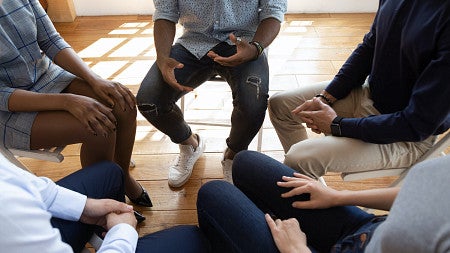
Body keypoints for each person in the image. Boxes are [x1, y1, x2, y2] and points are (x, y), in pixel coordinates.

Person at [267, 0, 450, 179]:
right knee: (281, 105)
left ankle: (309, 194)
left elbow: (415, 125)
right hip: (370, 93)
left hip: (405, 137)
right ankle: (309, 187)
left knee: (298, 158)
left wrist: (337, 125)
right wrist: (325, 98)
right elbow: (370, 45)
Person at [0, 0, 151, 206]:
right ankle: (104, 202)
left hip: (45, 75)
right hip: (8, 112)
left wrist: (94, 79)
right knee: (98, 126)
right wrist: (67, 101)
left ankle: (121, 175)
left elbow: (51, 40)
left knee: (122, 104)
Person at [136, 0, 287, 187]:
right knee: (149, 101)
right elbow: (165, 13)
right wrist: (162, 58)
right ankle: (190, 144)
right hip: (193, 41)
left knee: (253, 105)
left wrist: (256, 48)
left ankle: (233, 155)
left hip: (245, 42)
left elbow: (274, 11)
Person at [197, 150, 450, 253]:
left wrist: (297, 249)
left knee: (214, 193)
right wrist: (338, 196)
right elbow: (423, 195)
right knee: (246, 163)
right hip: (366, 230)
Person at [0, 153, 210, 253]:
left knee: (110, 173)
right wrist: (123, 234)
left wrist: (83, 207)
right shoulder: (9, 214)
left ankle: (104, 235)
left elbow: (15, 179)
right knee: (191, 239)